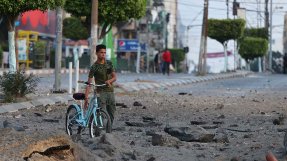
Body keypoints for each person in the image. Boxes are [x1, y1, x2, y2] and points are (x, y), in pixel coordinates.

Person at [84, 44, 117, 128]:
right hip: (100, 92)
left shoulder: (109, 63)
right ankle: (97, 132)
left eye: (104, 52)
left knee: (112, 113)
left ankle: (108, 132)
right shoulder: (94, 67)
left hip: (110, 92)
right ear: (97, 53)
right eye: (101, 52)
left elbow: (115, 77)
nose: (103, 54)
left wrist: (109, 81)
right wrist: (86, 98)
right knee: (100, 113)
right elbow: (89, 83)